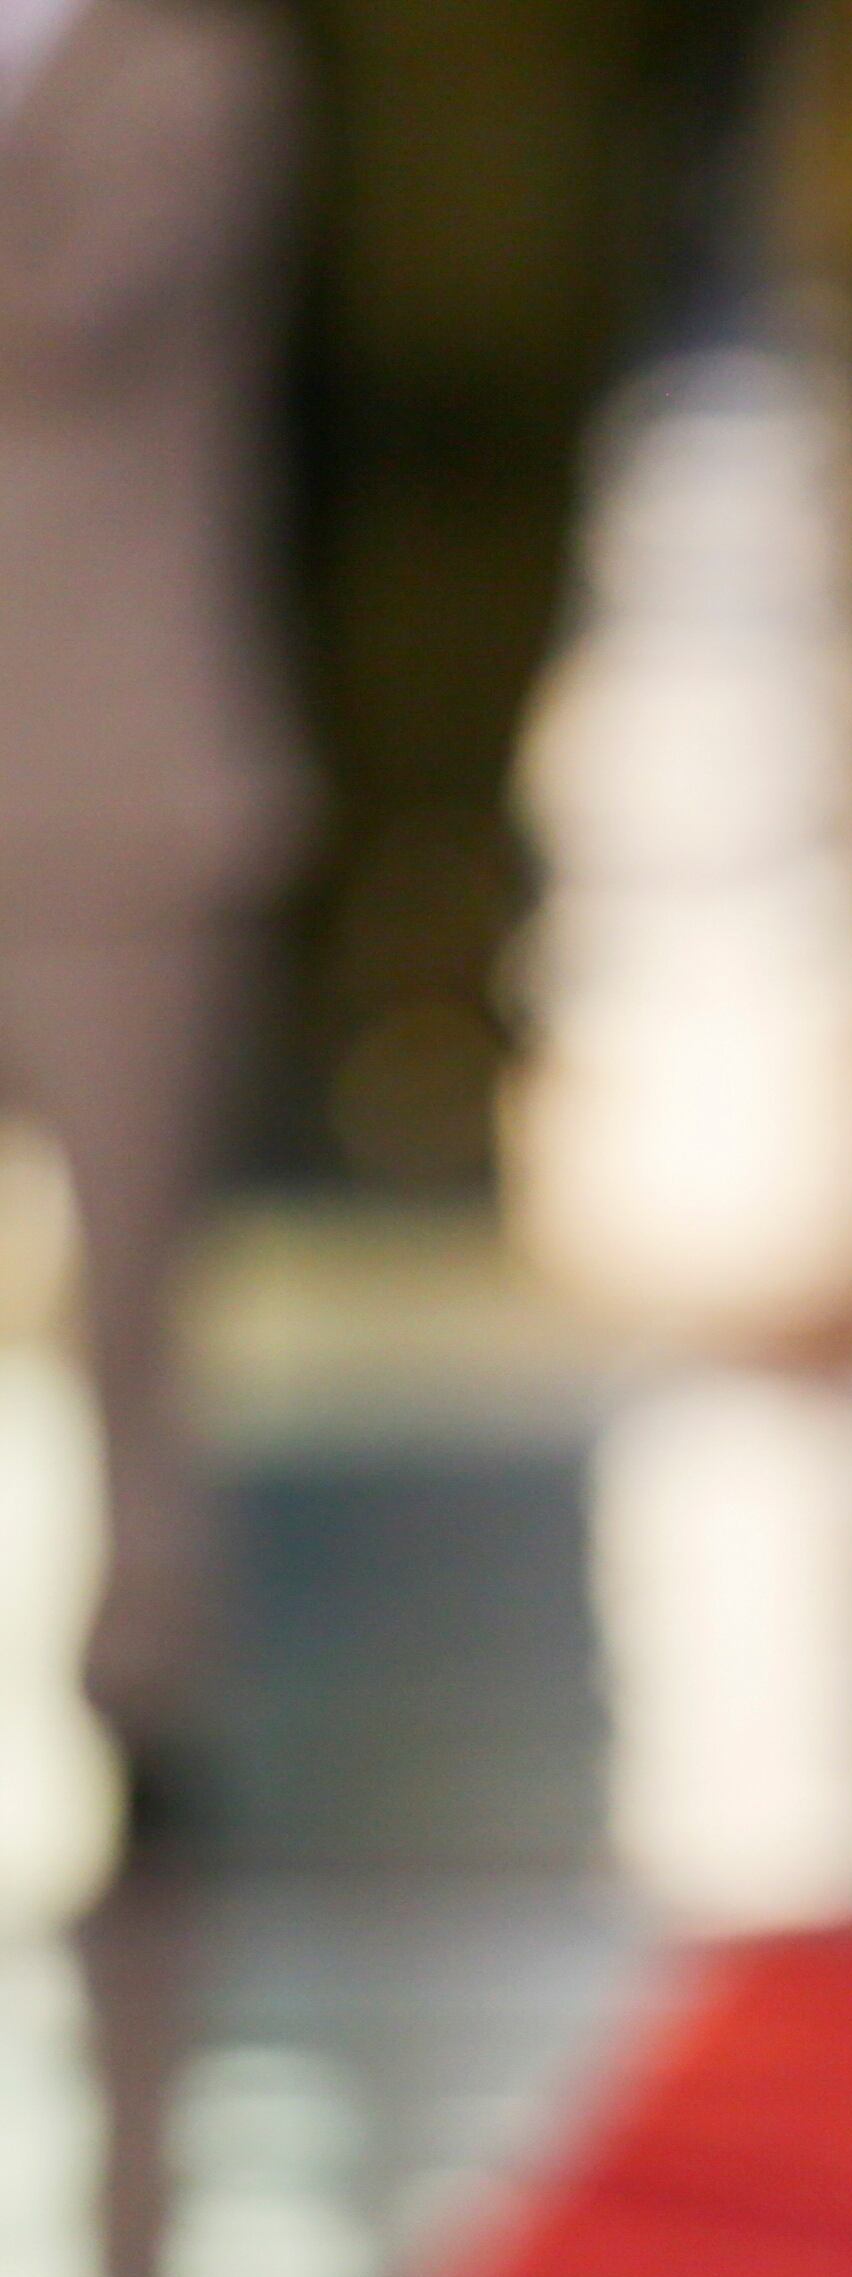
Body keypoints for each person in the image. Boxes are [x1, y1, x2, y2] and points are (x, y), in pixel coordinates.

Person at [0, 0, 306, 1821]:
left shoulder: (192, 71)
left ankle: (148, 1688)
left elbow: (68, 314)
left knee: (130, 1288)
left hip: (121, 775)